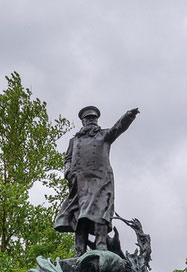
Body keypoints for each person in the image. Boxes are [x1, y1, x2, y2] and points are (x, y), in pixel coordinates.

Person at [54, 105, 139, 256]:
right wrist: (68, 171)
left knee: (100, 212)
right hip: (79, 184)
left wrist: (128, 116)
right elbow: (67, 159)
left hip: (101, 180)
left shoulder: (104, 135)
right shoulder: (74, 141)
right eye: (88, 119)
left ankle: (101, 247)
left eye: (93, 118)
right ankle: (79, 251)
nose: (91, 121)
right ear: (83, 122)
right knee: (79, 216)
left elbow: (118, 128)